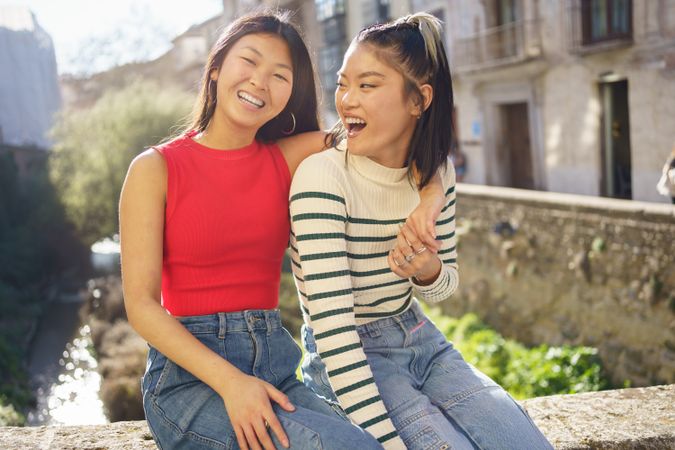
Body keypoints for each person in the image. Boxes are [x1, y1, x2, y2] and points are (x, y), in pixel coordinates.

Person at [119, 10, 443, 450]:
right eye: (248, 62)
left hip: (276, 367)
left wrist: (431, 197)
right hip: (190, 384)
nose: (259, 82)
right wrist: (232, 384)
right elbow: (140, 306)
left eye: (279, 75)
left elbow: (396, 137)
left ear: (291, 93)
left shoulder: (288, 158)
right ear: (215, 69)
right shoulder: (155, 169)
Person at [289, 13, 553, 449]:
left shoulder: (437, 174)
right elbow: (335, 337)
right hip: (349, 353)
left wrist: (427, 270)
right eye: (342, 83)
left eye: (368, 85)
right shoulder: (322, 177)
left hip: (419, 337)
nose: (347, 100)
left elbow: (444, 288)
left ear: (418, 100)